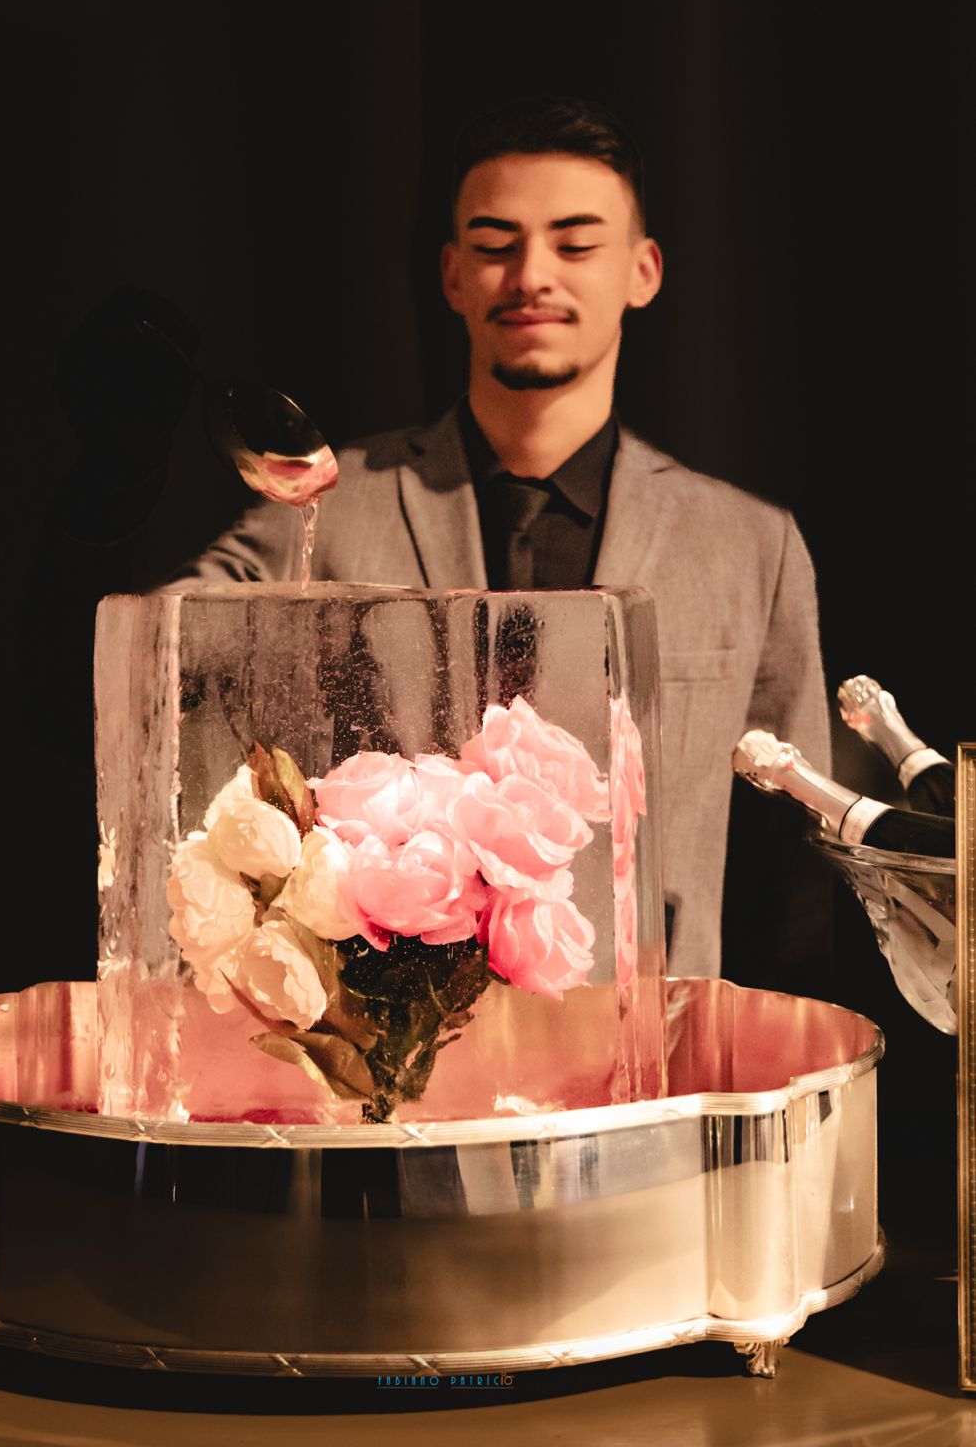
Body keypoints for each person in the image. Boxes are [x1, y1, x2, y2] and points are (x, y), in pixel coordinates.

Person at [176, 94, 832, 979]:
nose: (530, 275)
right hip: (396, 1043)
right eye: (495, 246)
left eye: (575, 244)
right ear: (453, 276)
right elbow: (146, 660)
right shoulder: (327, 504)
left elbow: (797, 871)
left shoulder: (750, 545)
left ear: (643, 271)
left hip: (653, 1047)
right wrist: (114, 487)